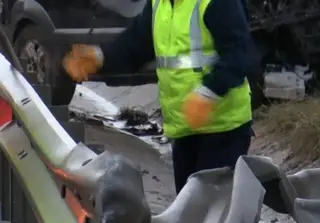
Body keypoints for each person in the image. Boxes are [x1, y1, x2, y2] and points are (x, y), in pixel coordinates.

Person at [62, 0, 256, 194]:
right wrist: (101, 58)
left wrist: (210, 92)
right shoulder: (159, 4)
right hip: (184, 129)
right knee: (189, 214)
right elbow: (135, 44)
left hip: (224, 129)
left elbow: (239, 54)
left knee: (212, 213)